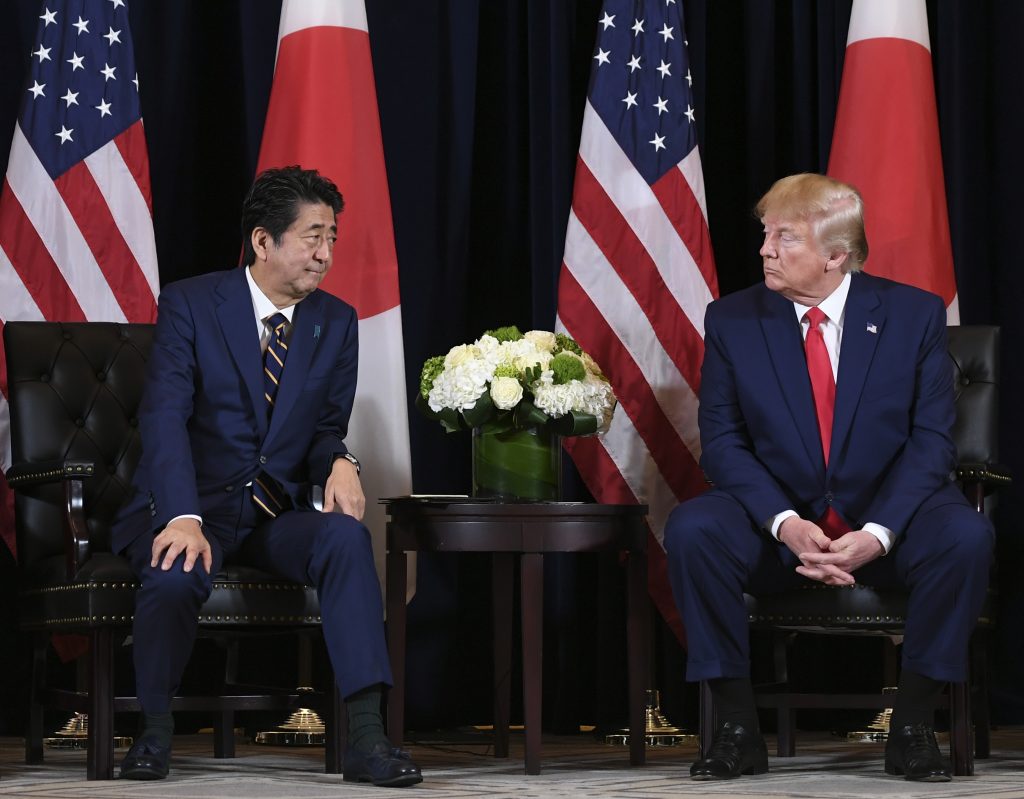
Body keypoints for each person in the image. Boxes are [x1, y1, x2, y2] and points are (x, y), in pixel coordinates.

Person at [665, 173, 993, 782]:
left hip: (890, 520)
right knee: (693, 529)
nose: (765, 249)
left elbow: (930, 443)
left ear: (835, 256)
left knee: (965, 537)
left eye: (784, 238)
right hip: (776, 529)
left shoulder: (912, 315)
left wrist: (879, 532)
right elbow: (725, 445)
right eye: (766, 234)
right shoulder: (732, 319)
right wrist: (786, 524)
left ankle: (915, 726)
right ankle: (737, 729)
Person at [111, 166, 421, 787]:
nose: (326, 254)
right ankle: (154, 732)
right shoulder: (192, 304)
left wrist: (340, 460)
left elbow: (325, 429)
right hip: (192, 506)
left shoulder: (335, 322)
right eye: (313, 237)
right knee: (174, 575)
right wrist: (180, 515)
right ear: (262, 241)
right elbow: (165, 418)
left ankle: (365, 735)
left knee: (345, 540)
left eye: (332, 237)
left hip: (273, 518)